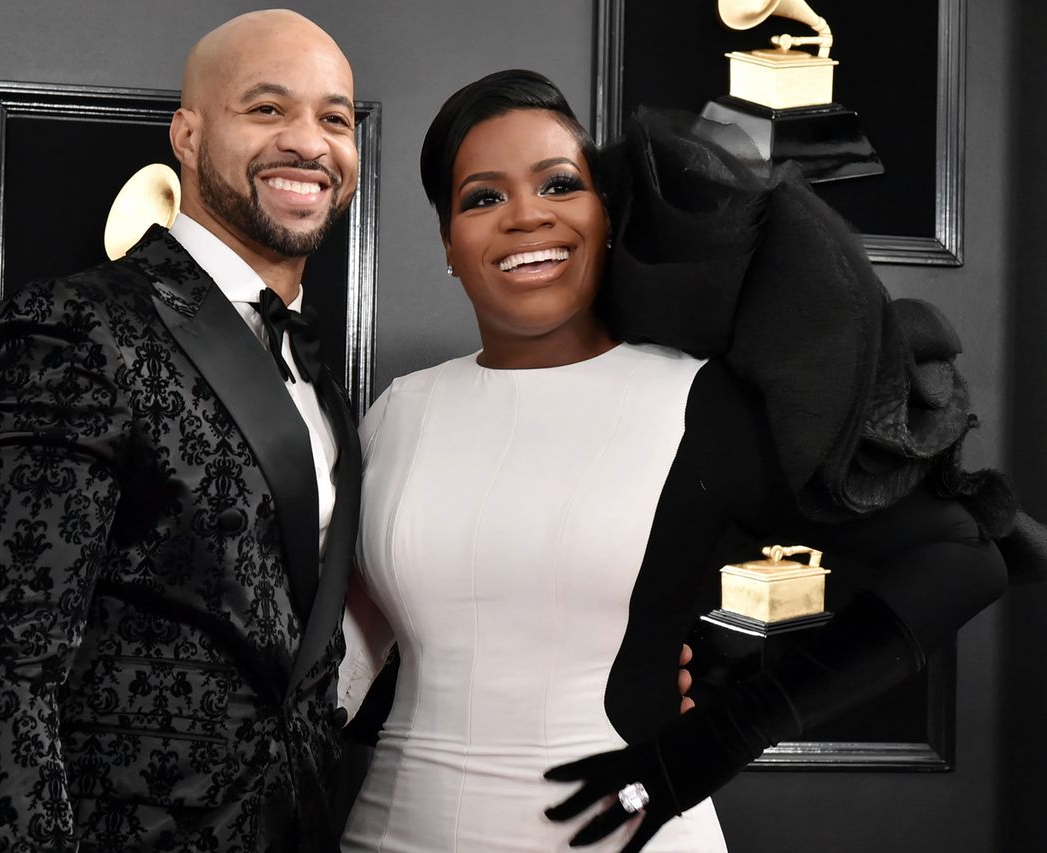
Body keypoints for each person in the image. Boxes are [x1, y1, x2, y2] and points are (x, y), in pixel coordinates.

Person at [336, 70, 1008, 852]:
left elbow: (960, 559)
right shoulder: (396, 412)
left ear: (607, 215)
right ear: (450, 245)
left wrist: (719, 738)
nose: (526, 215)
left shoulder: (696, 400)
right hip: (392, 831)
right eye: (482, 197)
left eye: (559, 183)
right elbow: (355, 650)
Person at [0, 10, 363, 851]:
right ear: (188, 137)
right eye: (266, 109)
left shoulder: (321, 376)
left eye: (334, 117)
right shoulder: (69, 328)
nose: (308, 142)